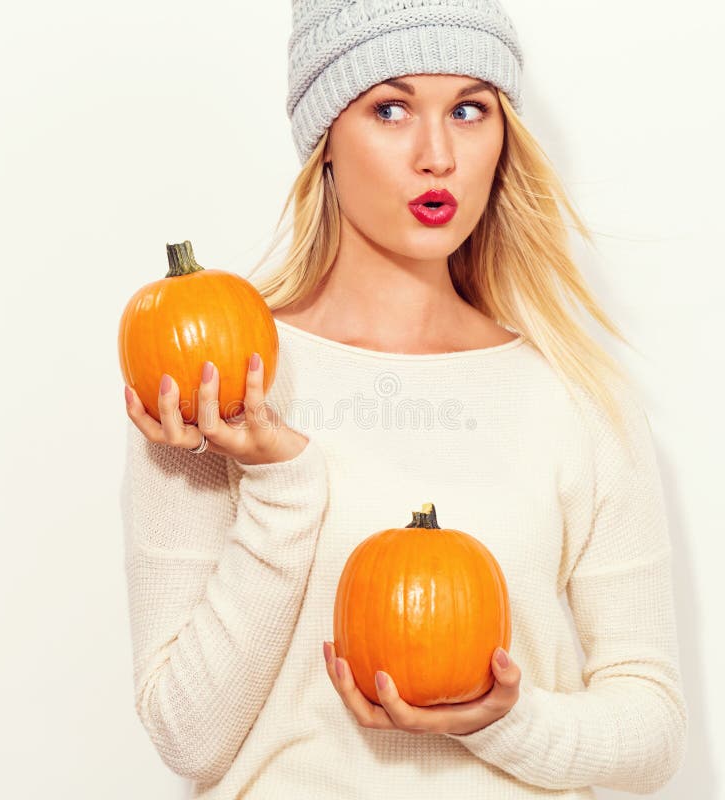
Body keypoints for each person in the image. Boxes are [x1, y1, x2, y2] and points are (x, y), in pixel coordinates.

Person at [120, 1, 688, 797]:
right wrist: (280, 485)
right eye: (390, 108)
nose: (437, 156)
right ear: (324, 141)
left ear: (503, 134)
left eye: (468, 109)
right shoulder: (225, 384)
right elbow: (188, 736)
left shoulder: (578, 395)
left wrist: (498, 719)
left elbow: (653, 725)